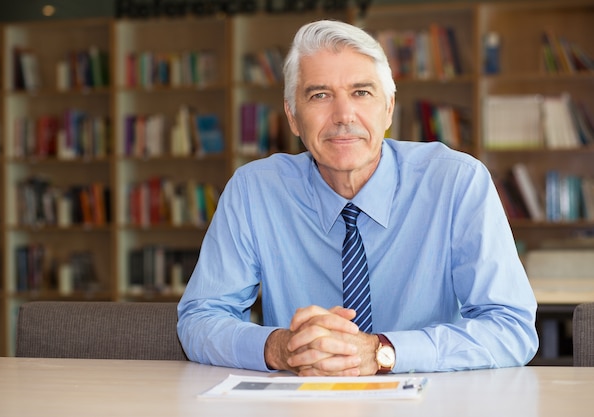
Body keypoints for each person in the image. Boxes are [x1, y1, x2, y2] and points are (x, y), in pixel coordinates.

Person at [177, 19, 538, 376]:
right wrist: (278, 348)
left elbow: (512, 329)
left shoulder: (456, 182)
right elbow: (199, 319)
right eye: (320, 95)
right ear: (293, 117)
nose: (343, 115)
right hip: (300, 404)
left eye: (361, 92)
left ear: (389, 108)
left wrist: (382, 352)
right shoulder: (253, 191)